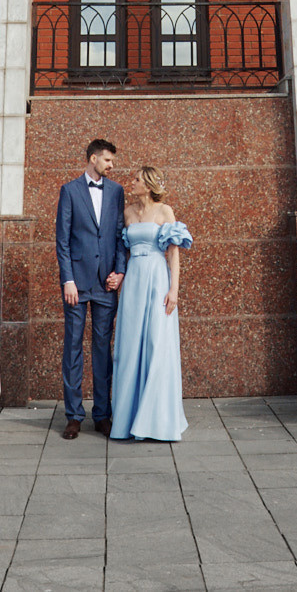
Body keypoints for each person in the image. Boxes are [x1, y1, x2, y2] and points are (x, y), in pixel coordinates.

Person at [108, 164, 191, 442]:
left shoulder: (164, 211)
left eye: (136, 179)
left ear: (149, 184)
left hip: (157, 280)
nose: (131, 183)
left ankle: (157, 421)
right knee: (130, 347)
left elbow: (173, 254)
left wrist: (174, 290)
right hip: (134, 281)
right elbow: (120, 249)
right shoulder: (128, 213)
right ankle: (128, 420)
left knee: (157, 344)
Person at [54, 138, 125, 439]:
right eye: (107, 160)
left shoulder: (117, 192)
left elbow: (121, 236)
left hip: (106, 283)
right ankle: (73, 416)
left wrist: (120, 271)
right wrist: (67, 279)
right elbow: (63, 240)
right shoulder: (69, 191)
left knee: (102, 349)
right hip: (77, 284)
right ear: (94, 159)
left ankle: (102, 415)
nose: (112, 165)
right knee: (72, 348)